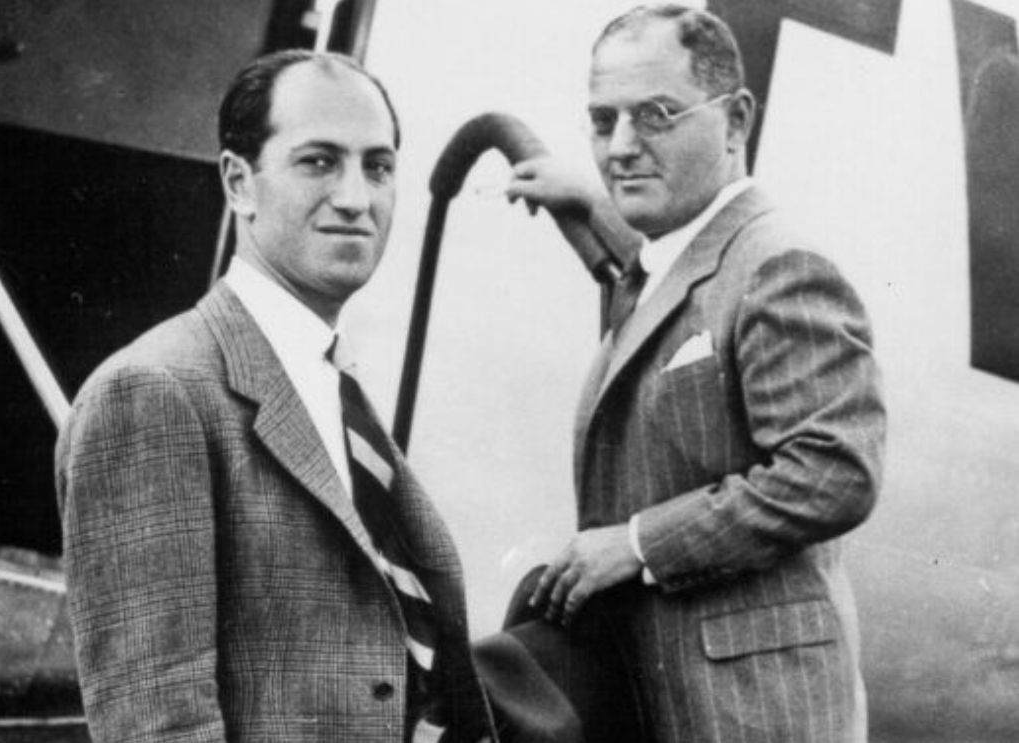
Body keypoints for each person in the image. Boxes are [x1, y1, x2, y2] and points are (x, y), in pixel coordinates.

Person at [56, 49, 495, 743]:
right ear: (239, 183)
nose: (356, 197)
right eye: (318, 161)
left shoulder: (328, 380)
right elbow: (157, 724)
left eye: (377, 166)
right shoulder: (155, 391)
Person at [505, 5, 886, 742]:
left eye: (655, 114)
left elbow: (835, 470)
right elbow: (672, 293)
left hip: (754, 714)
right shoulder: (672, 258)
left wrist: (636, 543)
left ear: (735, 121)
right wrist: (588, 198)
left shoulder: (780, 263)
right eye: (601, 118)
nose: (620, 146)